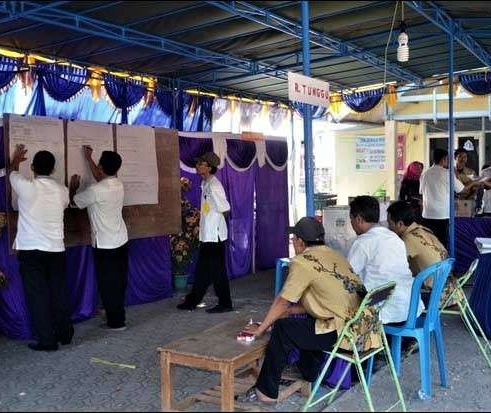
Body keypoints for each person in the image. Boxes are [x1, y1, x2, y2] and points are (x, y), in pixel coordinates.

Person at [238, 217, 377, 405]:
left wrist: (261, 328)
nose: (293, 242)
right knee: (301, 322)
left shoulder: (303, 262)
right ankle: (311, 372)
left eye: (294, 239)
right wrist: (292, 311)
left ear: (301, 242)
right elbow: (328, 298)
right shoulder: (336, 255)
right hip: (367, 328)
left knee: (282, 328)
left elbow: (282, 301)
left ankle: (266, 391)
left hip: (345, 333)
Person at [9, 145, 72, 352]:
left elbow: (12, 172)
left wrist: (17, 158)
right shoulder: (63, 191)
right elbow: (63, 204)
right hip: (56, 249)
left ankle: (47, 341)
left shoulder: (26, 186)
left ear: (33, 167)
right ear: (53, 170)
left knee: (38, 296)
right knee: (58, 292)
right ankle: (65, 334)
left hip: (31, 250)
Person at [69, 146, 129, 331]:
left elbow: (73, 203)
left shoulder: (96, 190)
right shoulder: (117, 184)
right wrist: (89, 158)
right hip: (120, 240)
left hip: (105, 244)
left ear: (102, 167)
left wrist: (73, 188)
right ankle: (117, 317)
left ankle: (116, 322)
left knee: (107, 283)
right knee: (118, 281)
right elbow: (100, 176)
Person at [347, 196, 423, 324]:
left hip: (387, 310)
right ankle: (405, 340)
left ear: (358, 219)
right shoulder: (395, 237)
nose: (351, 223)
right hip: (411, 305)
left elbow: (347, 274)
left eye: (351, 220)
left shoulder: (363, 243)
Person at [177, 152, 233, 313]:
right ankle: (193, 300)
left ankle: (225, 303)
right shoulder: (206, 183)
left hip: (214, 237)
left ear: (209, 167)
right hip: (207, 235)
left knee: (217, 272)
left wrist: (216, 225)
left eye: (200, 163)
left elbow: (226, 209)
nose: (197, 166)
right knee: (203, 270)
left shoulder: (214, 186)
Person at [420, 148, 480, 248]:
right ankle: (443, 263)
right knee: (442, 244)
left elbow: (421, 192)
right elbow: (462, 190)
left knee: (430, 244)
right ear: (444, 159)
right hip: (442, 215)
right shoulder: (447, 173)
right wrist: (474, 182)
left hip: (427, 214)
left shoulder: (424, 174)